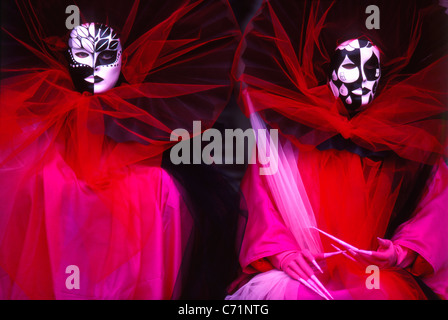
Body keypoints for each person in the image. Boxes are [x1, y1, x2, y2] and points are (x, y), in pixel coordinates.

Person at [0, 0, 241, 299]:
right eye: (82, 54)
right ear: (66, 55)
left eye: (106, 54)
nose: (93, 67)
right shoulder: (42, 116)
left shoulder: (149, 119)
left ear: (124, 57)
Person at [226, 0, 448, 300]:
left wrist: (402, 252)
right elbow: (260, 200)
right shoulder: (286, 139)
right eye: (349, 66)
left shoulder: (408, 141)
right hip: (301, 280)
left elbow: (436, 204)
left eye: (371, 68)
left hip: (375, 281)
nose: (361, 79)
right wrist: (283, 254)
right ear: (328, 69)